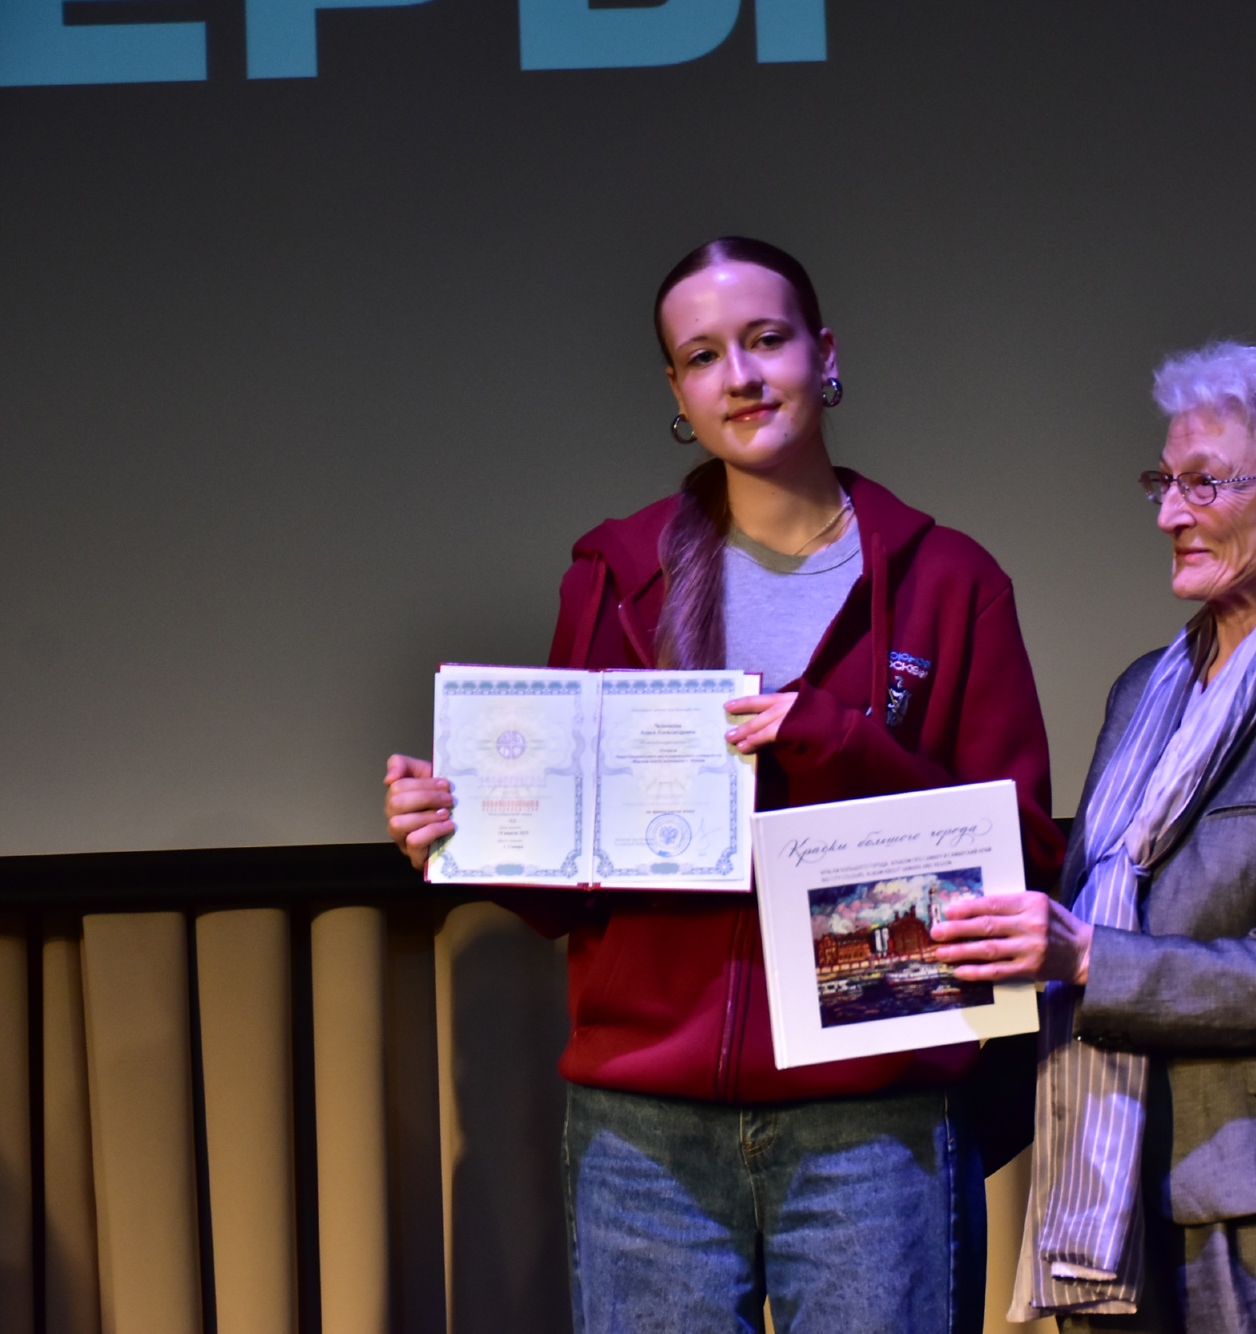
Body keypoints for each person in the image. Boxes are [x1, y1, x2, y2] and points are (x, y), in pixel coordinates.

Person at [382, 236, 1064, 1333]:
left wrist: (833, 738)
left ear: (823, 355)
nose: (739, 377)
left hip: (872, 1112)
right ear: (676, 392)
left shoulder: (949, 581)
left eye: (765, 340)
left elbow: (1016, 856)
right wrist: (461, 833)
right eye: (703, 357)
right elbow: (573, 886)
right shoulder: (616, 578)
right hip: (643, 1128)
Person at [934, 342, 1256, 1332]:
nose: (1170, 514)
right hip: (1108, 1168)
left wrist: (1086, 956)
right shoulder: (1142, 690)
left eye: (1203, 483)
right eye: (1162, 482)